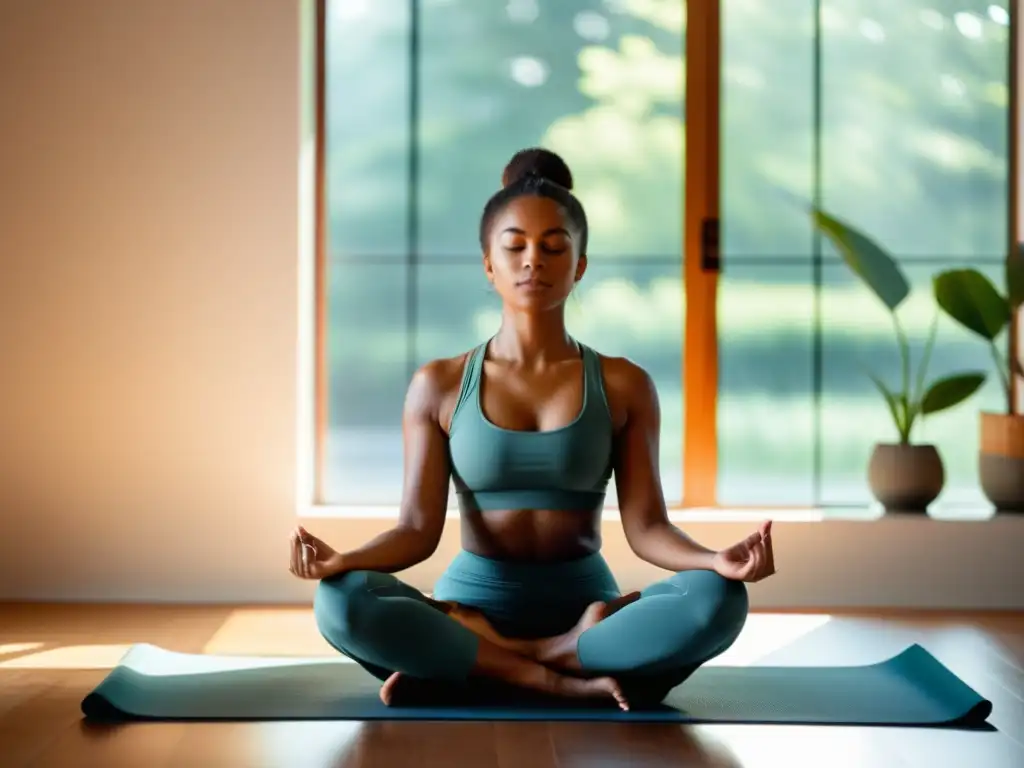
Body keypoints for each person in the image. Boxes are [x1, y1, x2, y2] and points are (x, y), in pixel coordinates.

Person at [288, 148, 776, 711]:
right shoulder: (440, 384)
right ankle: (551, 672)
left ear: (580, 265)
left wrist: (714, 560)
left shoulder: (624, 385)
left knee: (718, 601)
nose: (532, 262)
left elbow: (647, 529)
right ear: (488, 264)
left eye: (553, 247)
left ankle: (476, 663)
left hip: (583, 607)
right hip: (471, 603)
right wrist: (343, 561)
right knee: (341, 602)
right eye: (514, 246)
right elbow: (417, 530)